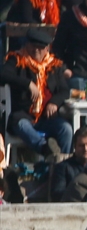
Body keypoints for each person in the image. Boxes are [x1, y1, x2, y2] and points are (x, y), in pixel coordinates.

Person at [0, 27, 71, 158]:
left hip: (47, 117)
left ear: (47, 49)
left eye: (40, 48)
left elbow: (64, 90)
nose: (36, 50)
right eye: (33, 46)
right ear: (26, 45)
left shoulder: (54, 65)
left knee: (66, 129)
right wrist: (28, 84)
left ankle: (63, 163)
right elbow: (3, 75)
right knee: (22, 126)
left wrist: (54, 103)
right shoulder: (17, 59)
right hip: (23, 115)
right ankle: (46, 149)